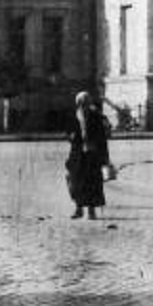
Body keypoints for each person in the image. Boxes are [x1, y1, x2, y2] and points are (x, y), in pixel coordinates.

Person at [66, 92, 110, 220]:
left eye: (87, 103)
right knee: (76, 181)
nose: (85, 106)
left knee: (92, 182)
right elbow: (68, 131)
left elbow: (102, 137)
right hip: (77, 154)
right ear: (78, 104)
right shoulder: (73, 116)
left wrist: (104, 156)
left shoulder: (95, 116)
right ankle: (78, 209)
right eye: (82, 103)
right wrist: (71, 136)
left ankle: (91, 211)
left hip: (92, 154)